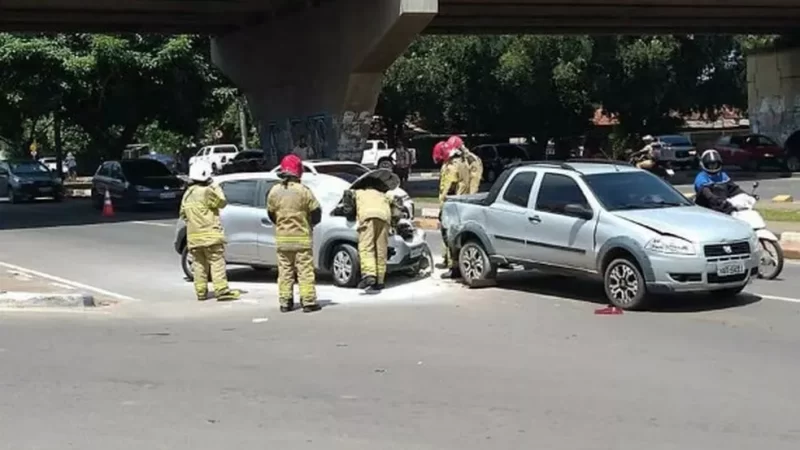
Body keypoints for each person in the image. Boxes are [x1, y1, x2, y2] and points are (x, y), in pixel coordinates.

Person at [266, 154, 322, 313]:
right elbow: (316, 212)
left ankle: (285, 303)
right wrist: (309, 224)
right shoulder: (304, 191)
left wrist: (281, 224)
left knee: (285, 272)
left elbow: (271, 213)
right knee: (305, 272)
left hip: (283, 240)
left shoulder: (275, 191)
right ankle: (309, 302)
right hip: (302, 239)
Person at [332, 170, 402, 294]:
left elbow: (348, 201)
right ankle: (380, 281)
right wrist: (394, 223)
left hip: (368, 217)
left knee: (366, 247)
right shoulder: (383, 195)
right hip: (385, 219)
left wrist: (346, 213)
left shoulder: (358, 192)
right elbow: (397, 206)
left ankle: (369, 275)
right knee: (381, 250)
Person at [180, 161, 241, 302]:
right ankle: (222, 290)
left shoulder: (187, 194)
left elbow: (183, 214)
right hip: (210, 236)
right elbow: (222, 202)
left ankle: (201, 292)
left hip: (194, 238)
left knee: (199, 265)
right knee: (216, 263)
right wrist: (215, 186)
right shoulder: (207, 191)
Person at [436, 144, 470, 279]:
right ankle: (457, 265)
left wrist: (443, 206)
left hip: (451, 205)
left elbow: (448, 187)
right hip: (461, 202)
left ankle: (454, 268)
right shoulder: (463, 162)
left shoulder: (452, 167)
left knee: (449, 236)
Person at [693, 149, 745, 214]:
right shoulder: (701, 177)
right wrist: (718, 200)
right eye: (710, 164)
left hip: (724, 207)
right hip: (707, 210)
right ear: (704, 164)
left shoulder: (723, 175)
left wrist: (746, 195)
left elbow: (734, 188)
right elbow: (706, 193)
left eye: (715, 164)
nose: (713, 167)